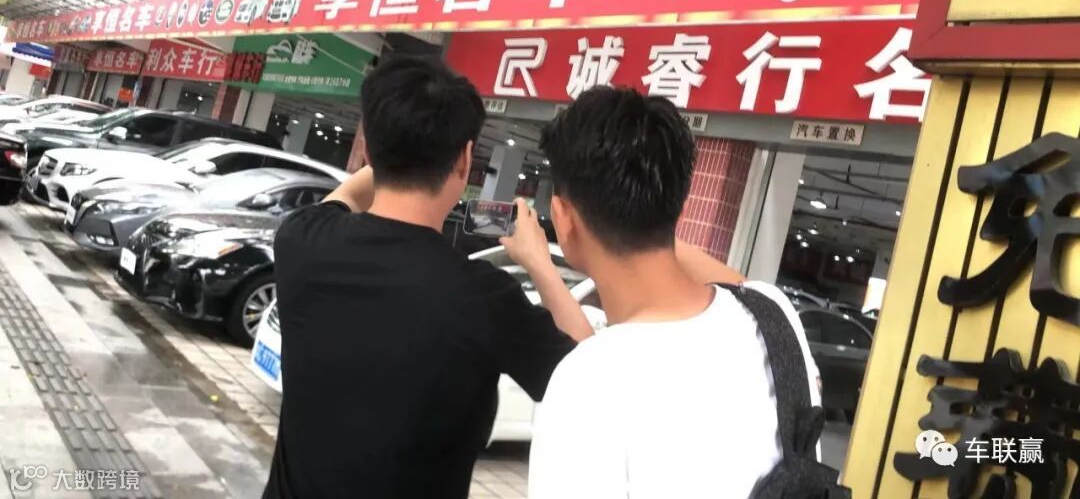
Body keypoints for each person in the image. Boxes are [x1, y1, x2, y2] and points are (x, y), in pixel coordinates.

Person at [262, 56, 594, 499]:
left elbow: (344, 197)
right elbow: (592, 382)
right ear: (465, 160)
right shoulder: (483, 298)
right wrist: (540, 264)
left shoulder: (302, 239)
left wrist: (390, 147)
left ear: (369, 150)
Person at [524, 86, 822, 499]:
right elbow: (739, 284)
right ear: (679, 206)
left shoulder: (583, 386)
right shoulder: (775, 314)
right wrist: (649, 210)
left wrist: (541, 260)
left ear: (562, 217)